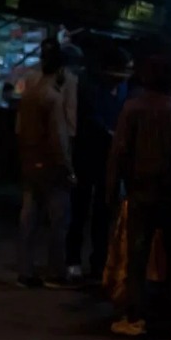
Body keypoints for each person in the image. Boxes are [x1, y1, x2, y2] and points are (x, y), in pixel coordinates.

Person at [107, 53, 171, 338]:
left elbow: (119, 155)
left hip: (141, 194)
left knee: (137, 257)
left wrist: (113, 192)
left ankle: (135, 317)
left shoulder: (133, 108)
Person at [15, 46, 75, 288]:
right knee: (59, 219)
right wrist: (68, 167)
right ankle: (56, 272)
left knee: (28, 219)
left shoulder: (30, 94)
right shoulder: (53, 96)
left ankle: (25, 270)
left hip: (30, 161)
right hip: (51, 165)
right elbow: (58, 137)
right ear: (61, 69)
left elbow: (20, 130)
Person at [69, 50, 129, 284]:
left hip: (110, 160)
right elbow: (90, 120)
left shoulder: (123, 91)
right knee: (80, 208)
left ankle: (99, 262)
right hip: (87, 155)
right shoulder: (90, 89)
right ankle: (73, 260)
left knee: (104, 213)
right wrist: (110, 134)